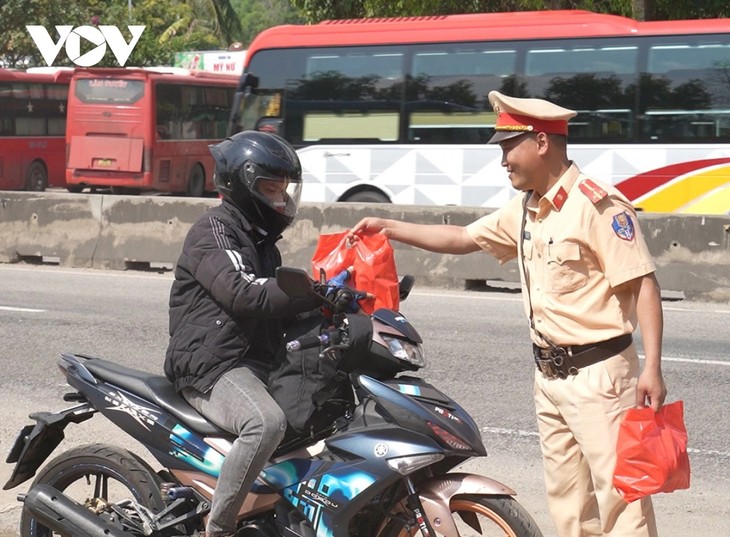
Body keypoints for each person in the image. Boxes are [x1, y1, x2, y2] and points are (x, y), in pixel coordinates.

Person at [348, 91, 666, 537]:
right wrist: (390, 227)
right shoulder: (527, 207)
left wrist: (652, 367)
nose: (502, 161)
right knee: (570, 507)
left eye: (506, 147)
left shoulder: (597, 206)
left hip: (602, 378)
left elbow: (643, 283)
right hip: (549, 378)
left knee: (622, 503)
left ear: (540, 142)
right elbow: (462, 238)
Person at [164, 130, 320, 537]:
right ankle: (219, 527)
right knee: (265, 423)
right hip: (212, 365)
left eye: (284, 189)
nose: (280, 199)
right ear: (244, 184)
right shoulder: (213, 231)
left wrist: (332, 303)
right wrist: (310, 292)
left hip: (251, 359)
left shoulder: (263, 241)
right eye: (271, 189)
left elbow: (278, 305)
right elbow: (246, 293)